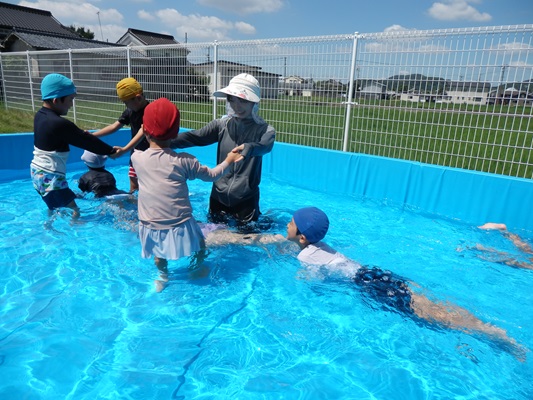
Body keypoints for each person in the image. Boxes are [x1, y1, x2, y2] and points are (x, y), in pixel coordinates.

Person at [207, 207, 527, 361]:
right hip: (374, 273)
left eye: (290, 223)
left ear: (301, 237)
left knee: (428, 315)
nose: (286, 224)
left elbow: (313, 283)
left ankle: (488, 333)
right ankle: (482, 330)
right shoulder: (318, 247)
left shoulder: (306, 257)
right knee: (427, 305)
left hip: (370, 287)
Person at [130, 98, 242, 292]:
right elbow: (213, 176)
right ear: (176, 133)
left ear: (145, 130)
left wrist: (143, 130)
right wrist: (229, 160)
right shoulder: (184, 161)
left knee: (159, 255)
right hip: (179, 222)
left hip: (150, 223)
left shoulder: (136, 157)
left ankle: (162, 277)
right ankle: (196, 269)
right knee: (200, 245)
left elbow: (144, 145)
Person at [169, 73, 275, 226]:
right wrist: (162, 141)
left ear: (254, 102)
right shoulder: (222, 125)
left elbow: (265, 146)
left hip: (245, 201)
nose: (236, 106)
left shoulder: (265, 130)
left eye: (243, 100)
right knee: (210, 237)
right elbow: (195, 137)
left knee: (246, 242)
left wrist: (250, 147)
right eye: (232, 99)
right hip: (218, 198)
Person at [30, 73, 119, 217]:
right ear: (56, 100)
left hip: (38, 173)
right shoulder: (58, 123)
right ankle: (72, 233)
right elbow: (86, 141)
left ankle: (49, 227)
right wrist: (110, 151)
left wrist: (77, 134)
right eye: (70, 99)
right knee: (74, 211)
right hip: (51, 178)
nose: (71, 104)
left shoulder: (40, 116)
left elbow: (68, 137)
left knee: (55, 206)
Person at [92, 77, 150, 193]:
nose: (126, 106)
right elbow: (114, 127)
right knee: (134, 188)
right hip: (135, 155)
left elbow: (143, 132)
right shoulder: (130, 111)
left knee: (150, 186)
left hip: (150, 155)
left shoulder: (150, 111)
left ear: (138, 98)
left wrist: (124, 150)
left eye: (126, 102)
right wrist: (93, 135)